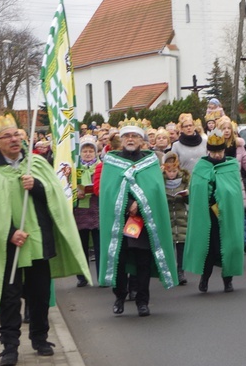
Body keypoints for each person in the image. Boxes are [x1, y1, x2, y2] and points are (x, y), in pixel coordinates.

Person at [0, 114, 90, 366]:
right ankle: (9, 347)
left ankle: (40, 338)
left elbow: (56, 197)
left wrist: (36, 186)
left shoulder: (36, 164)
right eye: (7, 136)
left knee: (38, 294)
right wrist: (10, 232)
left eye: (17, 134)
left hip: (38, 241)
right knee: (10, 297)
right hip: (8, 245)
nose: (14, 140)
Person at [97, 119, 177, 317]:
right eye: (127, 136)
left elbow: (154, 190)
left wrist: (138, 204)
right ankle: (119, 297)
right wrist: (126, 204)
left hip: (143, 222)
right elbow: (108, 192)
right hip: (120, 220)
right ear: (122, 140)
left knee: (142, 261)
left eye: (134, 136)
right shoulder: (112, 162)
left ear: (141, 141)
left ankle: (142, 300)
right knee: (120, 260)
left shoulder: (150, 162)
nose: (130, 139)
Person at [185, 128, 244, 293]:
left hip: (226, 215)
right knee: (208, 247)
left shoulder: (230, 166)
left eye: (220, 151)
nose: (217, 155)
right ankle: (205, 279)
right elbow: (196, 190)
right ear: (208, 151)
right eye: (213, 152)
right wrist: (208, 191)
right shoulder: (201, 167)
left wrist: (223, 195)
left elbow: (233, 192)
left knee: (228, 246)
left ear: (224, 150)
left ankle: (228, 280)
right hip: (208, 215)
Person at [216, 116, 246, 252]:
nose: (226, 131)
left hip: (239, 183)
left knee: (242, 213)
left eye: (228, 128)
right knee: (225, 214)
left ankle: (245, 241)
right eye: (223, 128)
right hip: (223, 184)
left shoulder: (240, 146)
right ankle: (229, 242)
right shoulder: (215, 147)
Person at [73, 135, 100, 287]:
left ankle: (101, 275)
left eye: (91, 151)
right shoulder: (75, 168)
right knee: (81, 244)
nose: (88, 153)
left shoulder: (100, 166)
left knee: (99, 244)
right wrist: (76, 192)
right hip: (81, 210)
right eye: (85, 151)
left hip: (96, 207)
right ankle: (82, 276)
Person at [161, 151, 189, 286]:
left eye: (174, 171)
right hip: (167, 219)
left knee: (181, 245)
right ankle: (169, 272)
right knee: (168, 247)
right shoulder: (161, 182)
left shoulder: (184, 181)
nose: (171, 174)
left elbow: (190, 201)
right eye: (169, 171)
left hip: (181, 217)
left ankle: (180, 271)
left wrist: (186, 195)